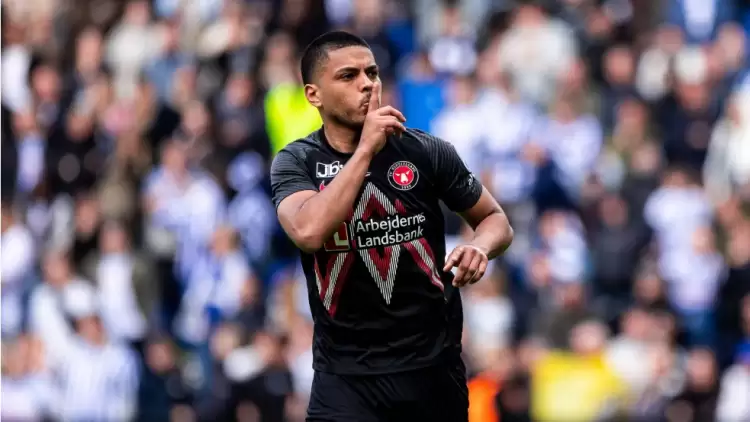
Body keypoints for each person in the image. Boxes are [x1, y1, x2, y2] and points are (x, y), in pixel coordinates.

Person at [270, 31, 514, 422]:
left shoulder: (426, 151)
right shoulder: (296, 161)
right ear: (314, 95)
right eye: (348, 76)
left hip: (431, 371)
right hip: (345, 379)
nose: (367, 84)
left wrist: (479, 247)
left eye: (372, 73)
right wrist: (366, 151)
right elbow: (309, 231)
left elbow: (494, 219)